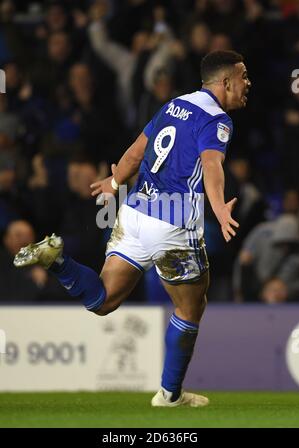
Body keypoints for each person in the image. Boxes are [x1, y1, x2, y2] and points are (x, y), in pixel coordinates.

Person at [14, 50, 251, 407]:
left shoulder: (174, 105)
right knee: (191, 307)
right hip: (174, 225)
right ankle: (170, 394)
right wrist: (218, 207)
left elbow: (137, 151)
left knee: (103, 300)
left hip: (135, 213)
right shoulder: (218, 120)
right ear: (226, 81)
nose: (248, 83)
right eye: (244, 76)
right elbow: (212, 164)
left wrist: (114, 181)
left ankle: (57, 262)